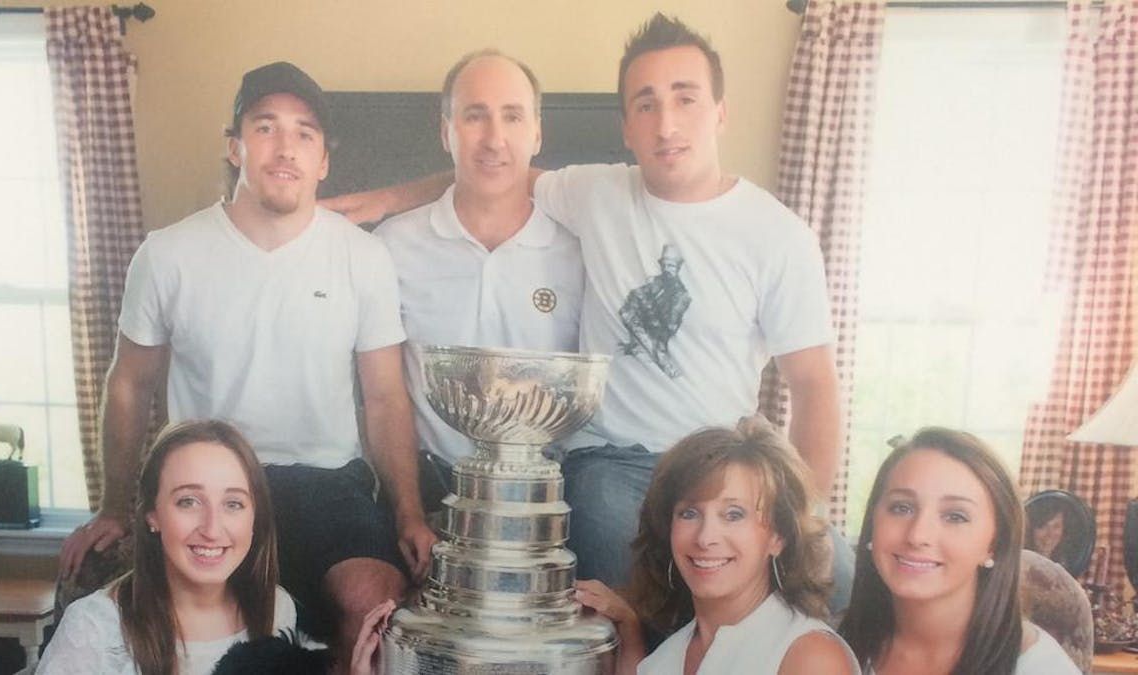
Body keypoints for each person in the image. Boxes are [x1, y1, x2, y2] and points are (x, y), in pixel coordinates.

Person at [324, 13, 849, 605]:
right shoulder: (597, 194)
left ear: (721, 112)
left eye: (686, 99)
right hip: (607, 461)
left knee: (843, 578)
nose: (667, 123)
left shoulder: (779, 235)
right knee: (615, 548)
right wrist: (393, 198)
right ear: (626, 124)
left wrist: (803, 520)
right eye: (646, 104)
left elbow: (815, 385)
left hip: (724, 460)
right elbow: (493, 170)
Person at [56, 61, 436, 667]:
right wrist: (114, 505)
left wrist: (411, 513)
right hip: (209, 483)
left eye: (305, 133)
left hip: (325, 480)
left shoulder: (363, 257)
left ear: (323, 161)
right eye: (266, 127)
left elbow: (386, 396)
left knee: (371, 600)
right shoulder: (169, 253)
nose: (286, 146)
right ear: (235, 147)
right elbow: (130, 384)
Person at [375, 49, 583, 507]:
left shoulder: (582, 249)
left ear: (537, 132)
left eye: (512, 116)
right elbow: (384, 398)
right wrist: (407, 513)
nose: (494, 139)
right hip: (431, 489)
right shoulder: (391, 247)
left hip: (557, 494)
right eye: (475, 116)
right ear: (446, 131)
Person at [576, 419, 856, 674]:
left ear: (778, 536)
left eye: (734, 514)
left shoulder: (809, 657)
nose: (705, 537)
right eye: (689, 513)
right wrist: (630, 632)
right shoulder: (665, 658)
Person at [38, 420, 296, 675]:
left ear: (254, 517)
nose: (212, 529)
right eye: (188, 501)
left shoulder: (277, 609)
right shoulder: (92, 628)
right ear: (153, 515)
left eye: (233, 504)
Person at [838, 427, 1079, 674]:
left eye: (955, 516)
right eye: (901, 508)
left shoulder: (1041, 668)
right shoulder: (828, 648)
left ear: (994, 545)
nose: (917, 535)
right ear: (872, 524)